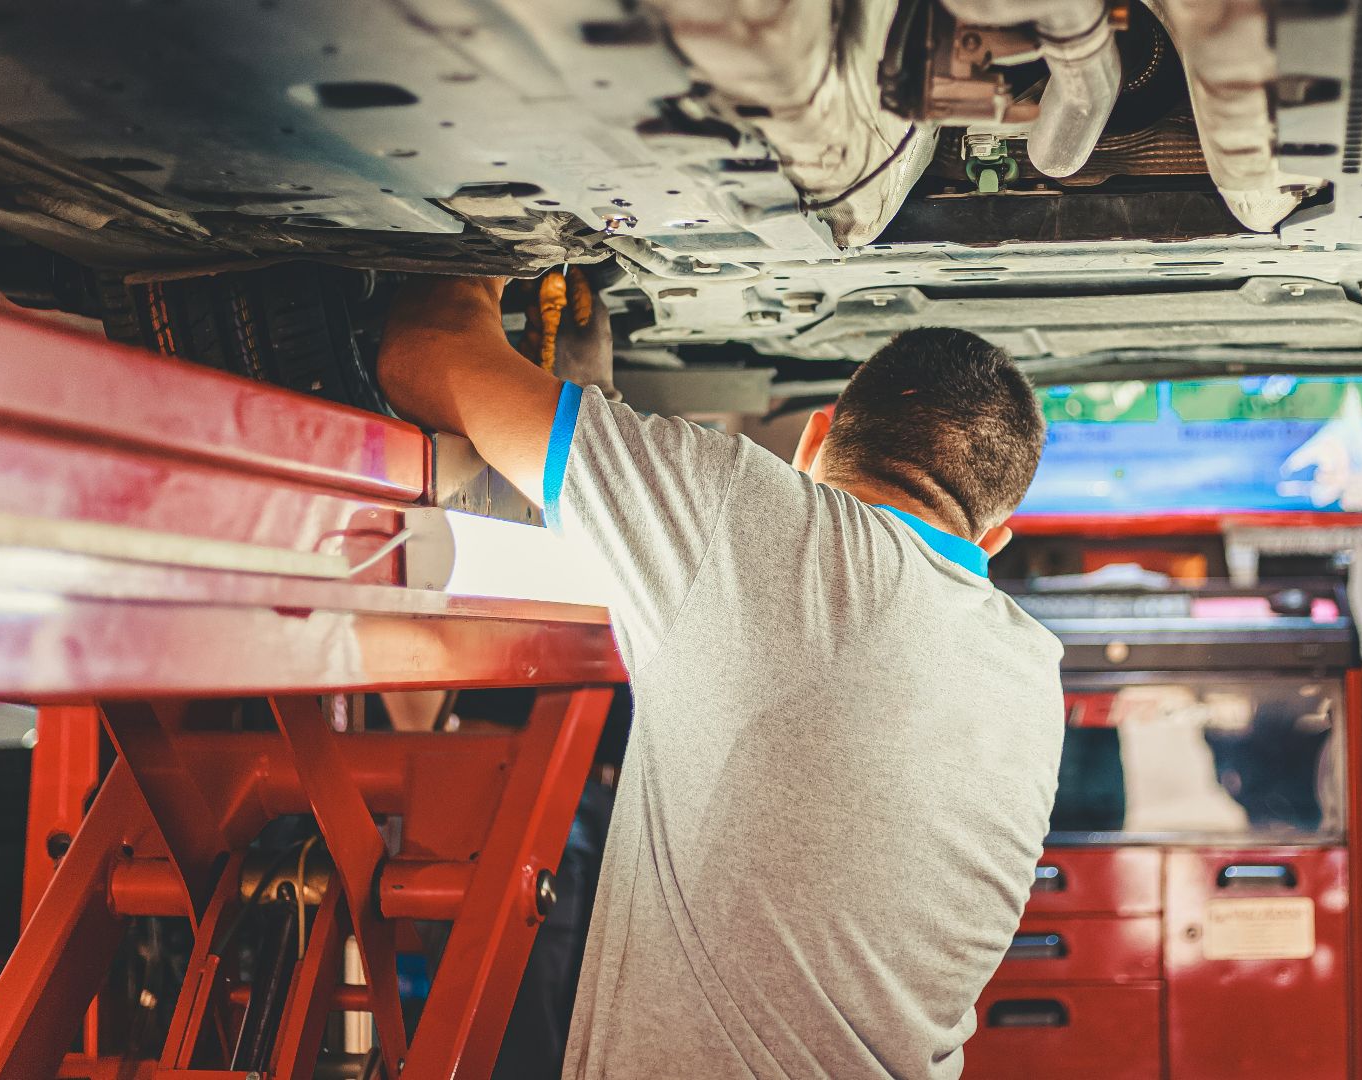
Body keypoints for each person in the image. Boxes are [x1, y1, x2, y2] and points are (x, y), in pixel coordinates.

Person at [376, 276, 1065, 1080]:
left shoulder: (753, 517)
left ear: (814, 440)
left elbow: (424, 355)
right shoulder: (1029, 672)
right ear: (995, 538)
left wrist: (484, 257)